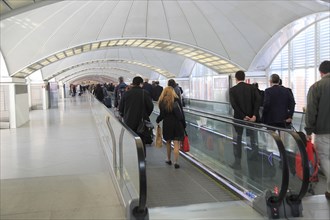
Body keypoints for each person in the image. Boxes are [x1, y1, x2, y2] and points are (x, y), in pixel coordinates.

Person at [305, 60, 330, 200]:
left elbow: (311, 111)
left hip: (323, 131)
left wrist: (308, 131)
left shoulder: (316, 87)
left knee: (325, 158)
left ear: (321, 72)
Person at [229, 70, 261, 170]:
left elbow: (234, 105)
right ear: (244, 77)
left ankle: (238, 162)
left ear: (236, 78)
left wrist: (243, 116)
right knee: (252, 139)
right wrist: (254, 115)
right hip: (252, 120)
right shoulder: (252, 88)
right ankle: (253, 160)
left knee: (238, 139)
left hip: (239, 119)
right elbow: (258, 101)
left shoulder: (233, 90)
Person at [119, 76, 154, 157]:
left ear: (133, 83)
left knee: (131, 139)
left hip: (129, 121)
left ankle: (133, 157)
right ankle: (142, 157)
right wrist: (145, 115)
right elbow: (150, 107)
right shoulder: (144, 93)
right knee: (142, 139)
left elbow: (121, 108)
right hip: (141, 121)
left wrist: (125, 115)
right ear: (141, 83)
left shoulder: (126, 93)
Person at [156, 86, 186, 169]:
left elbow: (162, 115)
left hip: (167, 124)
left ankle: (168, 159)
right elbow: (181, 115)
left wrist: (158, 120)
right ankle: (176, 162)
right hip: (177, 124)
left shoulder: (162, 102)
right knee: (176, 143)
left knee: (168, 142)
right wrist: (184, 124)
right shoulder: (176, 100)